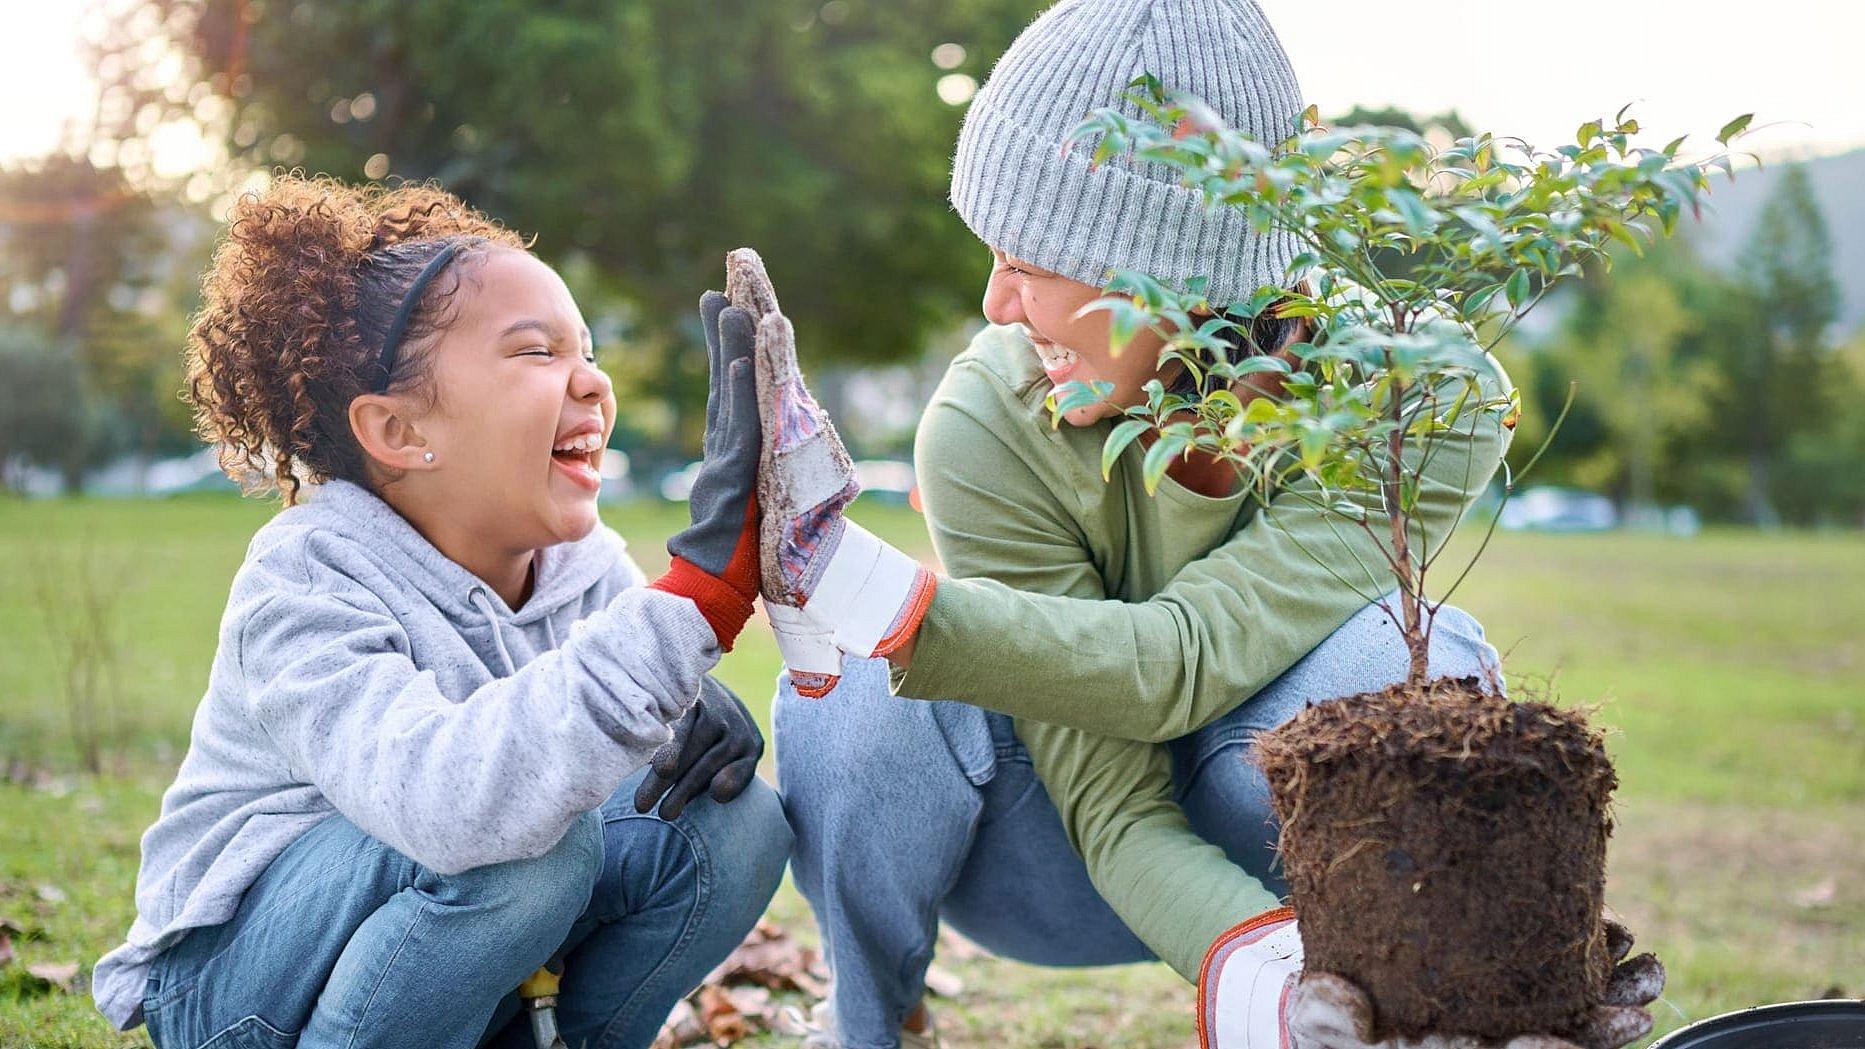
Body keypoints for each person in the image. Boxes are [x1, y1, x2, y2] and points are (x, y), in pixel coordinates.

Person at [751, 1, 1661, 1047]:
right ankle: (871, 1024)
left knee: (1403, 652)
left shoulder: (1425, 402)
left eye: (1031, 262)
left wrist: (1493, 945)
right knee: (859, 692)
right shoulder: (983, 426)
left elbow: (1181, 659)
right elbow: (1113, 807)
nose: (997, 303)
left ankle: (1426, 1009)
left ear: (1169, 275)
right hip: (1041, 858)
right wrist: (1263, 982)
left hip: (1300, 841)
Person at [90, 175, 793, 1049]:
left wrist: (676, 710)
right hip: (239, 990)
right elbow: (451, 805)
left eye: (588, 349)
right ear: (398, 431)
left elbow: (587, 734)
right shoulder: (306, 578)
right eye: (538, 353)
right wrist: (696, 600)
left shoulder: (578, 564)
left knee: (731, 824)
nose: (592, 382)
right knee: (522, 851)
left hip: (450, 949)